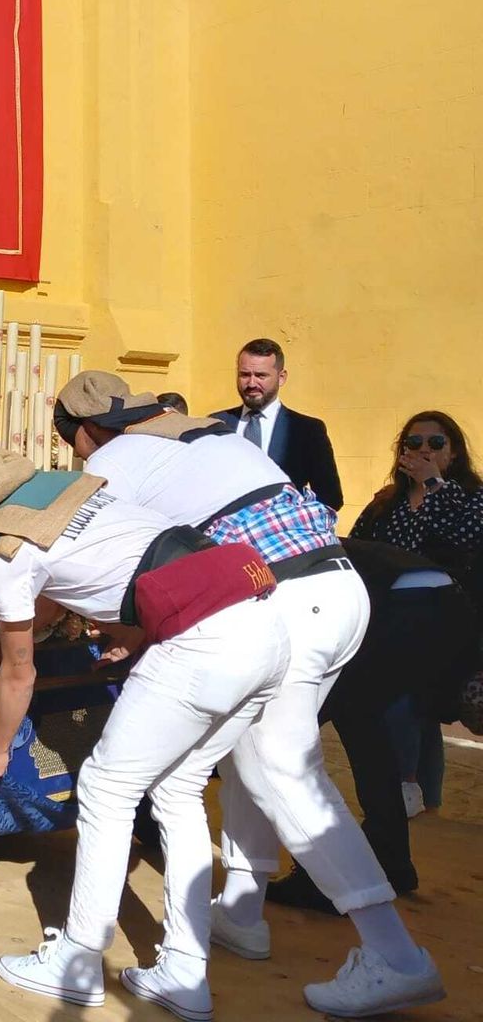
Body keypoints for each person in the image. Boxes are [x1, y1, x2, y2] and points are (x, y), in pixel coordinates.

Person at [54, 371, 442, 1017]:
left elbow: (73, 542)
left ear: (86, 432)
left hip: (284, 598)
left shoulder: (115, 456)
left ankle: (393, 954)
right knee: (253, 759)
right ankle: (242, 908)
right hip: (339, 591)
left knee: (284, 772)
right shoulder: (209, 435)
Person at [0, 438, 289, 1021]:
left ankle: (75, 961)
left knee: (105, 788)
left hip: (203, 642)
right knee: (176, 790)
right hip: (265, 625)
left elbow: (20, 674)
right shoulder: (89, 502)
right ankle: (184, 971)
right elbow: (52, 602)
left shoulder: (7, 557)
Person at [323, 538, 480, 902]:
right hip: (440, 601)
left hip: (409, 607)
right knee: (362, 722)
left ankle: (376, 863)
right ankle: (390, 862)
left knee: (351, 718)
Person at [349, 413, 483, 829]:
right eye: (414, 443)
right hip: (389, 617)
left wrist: (432, 485)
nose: (424, 450)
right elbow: (361, 545)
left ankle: (405, 784)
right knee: (415, 704)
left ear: (454, 451)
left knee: (405, 692)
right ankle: (422, 796)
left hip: (446, 619)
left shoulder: (471, 498)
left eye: (436, 443)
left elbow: (461, 541)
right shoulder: (386, 501)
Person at [216, 338, 343, 509]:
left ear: (281, 378)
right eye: (244, 375)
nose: (251, 383)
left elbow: (330, 498)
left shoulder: (307, 431)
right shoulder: (217, 424)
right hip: (222, 533)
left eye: (261, 375)